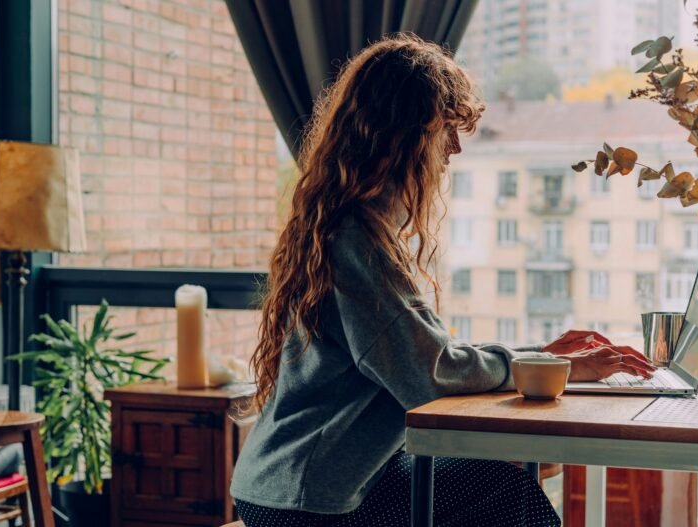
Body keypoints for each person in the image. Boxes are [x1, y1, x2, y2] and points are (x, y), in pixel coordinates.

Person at [231, 33, 655, 527]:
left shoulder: (350, 227)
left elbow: (424, 357)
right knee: (507, 490)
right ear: (401, 133)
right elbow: (428, 374)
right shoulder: (356, 242)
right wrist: (553, 366)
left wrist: (540, 359)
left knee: (491, 478)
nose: (453, 149)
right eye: (445, 129)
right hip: (308, 499)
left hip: (296, 485)